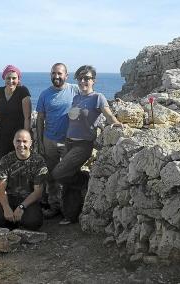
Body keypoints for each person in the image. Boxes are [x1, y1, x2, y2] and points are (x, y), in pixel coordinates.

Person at [52, 65, 123, 225]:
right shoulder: (77, 98)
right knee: (68, 181)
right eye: (80, 78)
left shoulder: (98, 97)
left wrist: (116, 123)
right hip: (69, 142)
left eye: (87, 78)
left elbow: (108, 114)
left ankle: (86, 180)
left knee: (59, 174)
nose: (83, 81)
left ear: (93, 80)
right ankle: (71, 215)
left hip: (83, 145)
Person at [36, 63, 79, 218]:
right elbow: (40, 119)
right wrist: (39, 141)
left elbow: (90, 97)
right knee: (51, 175)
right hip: (50, 140)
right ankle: (54, 206)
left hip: (70, 141)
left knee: (69, 173)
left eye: (60, 73)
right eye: (54, 73)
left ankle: (70, 208)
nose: (56, 76)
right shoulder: (44, 94)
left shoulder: (75, 89)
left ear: (66, 75)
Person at [0, 129, 48, 231]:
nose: (21, 144)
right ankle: (14, 222)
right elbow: (1, 187)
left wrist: (21, 207)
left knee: (33, 222)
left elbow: (38, 191)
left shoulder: (38, 161)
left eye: (25, 141)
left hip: (28, 202)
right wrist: (6, 207)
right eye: (18, 141)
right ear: (13, 142)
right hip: (10, 199)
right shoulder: (6, 160)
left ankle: (15, 221)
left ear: (31, 143)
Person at [0, 65, 32, 162]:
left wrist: (27, 138)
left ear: (18, 79)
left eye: (14, 78)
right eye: (8, 78)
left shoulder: (23, 91)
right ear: (4, 78)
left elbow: (28, 118)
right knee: (2, 163)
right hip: (1, 135)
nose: (11, 81)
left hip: (18, 137)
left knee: (18, 164)